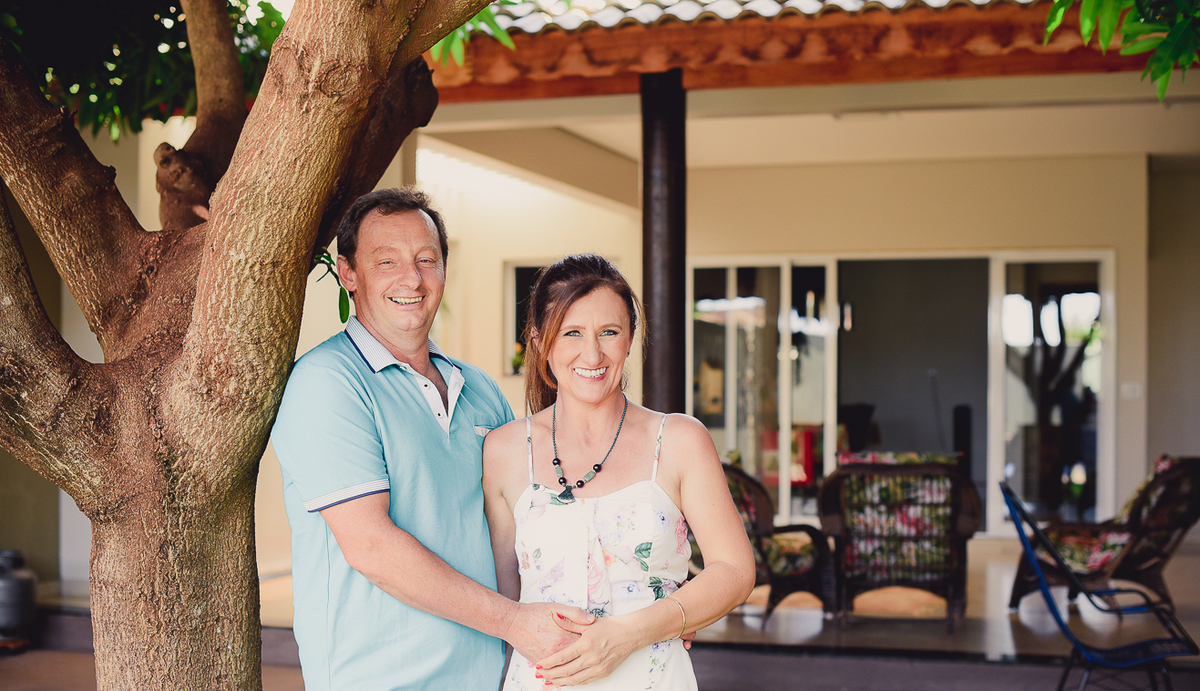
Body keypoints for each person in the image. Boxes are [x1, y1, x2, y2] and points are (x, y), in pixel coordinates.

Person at [271, 188, 592, 691]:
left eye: (426, 260)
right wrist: (513, 623)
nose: (412, 279)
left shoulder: (481, 390)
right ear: (348, 273)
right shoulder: (327, 383)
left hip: (491, 675)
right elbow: (371, 546)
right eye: (387, 261)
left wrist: (643, 601)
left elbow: (534, 522)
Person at [483, 254, 757, 690]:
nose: (592, 353)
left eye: (609, 332)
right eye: (571, 333)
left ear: (630, 339)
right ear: (539, 342)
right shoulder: (504, 451)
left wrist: (640, 629)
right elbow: (505, 598)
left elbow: (735, 570)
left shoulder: (680, 440)